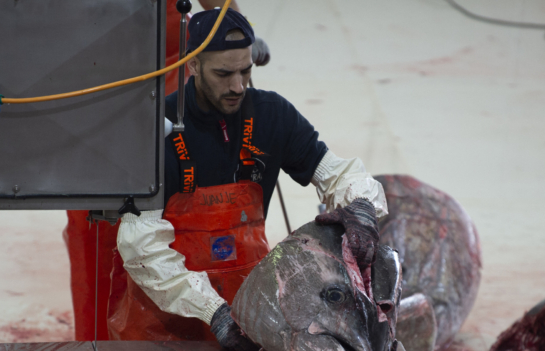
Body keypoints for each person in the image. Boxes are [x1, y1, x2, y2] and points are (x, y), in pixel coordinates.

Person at [110, 8, 389, 349]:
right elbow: (141, 247)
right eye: (223, 73)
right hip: (162, 323)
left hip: (250, 314)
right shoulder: (155, 130)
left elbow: (338, 172)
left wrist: (360, 207)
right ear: (193, 65)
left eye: (245, 71)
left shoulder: (273, 116)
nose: (238, 86)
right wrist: (213, 311)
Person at [62, 0, 271, 342]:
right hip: (90, 87)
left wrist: (235, 29)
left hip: (169, 79)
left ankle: (202, 332)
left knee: (180, 230)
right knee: (95, 233)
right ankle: (96, 342)